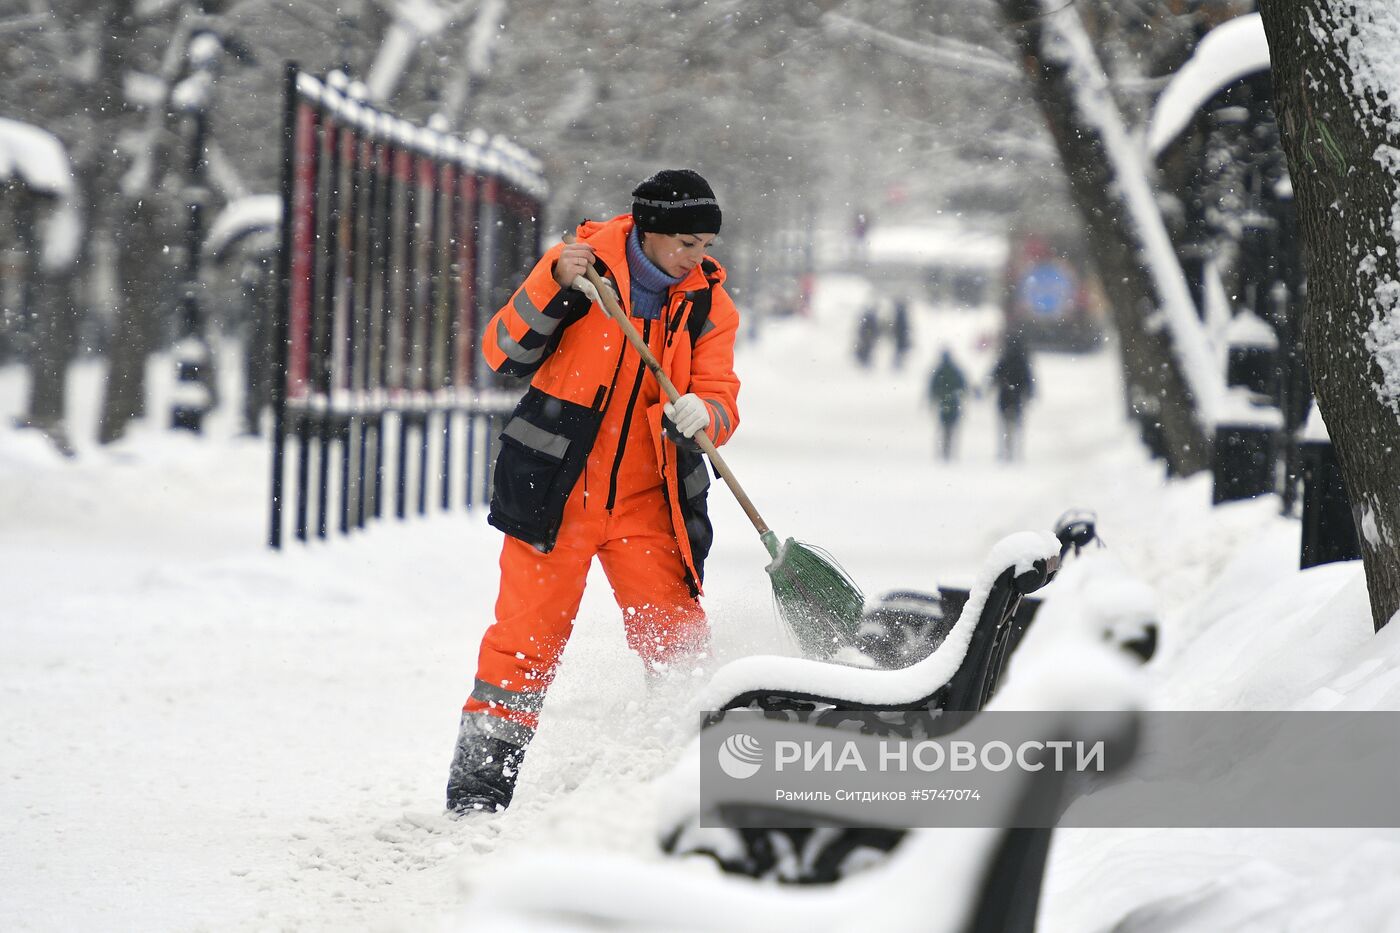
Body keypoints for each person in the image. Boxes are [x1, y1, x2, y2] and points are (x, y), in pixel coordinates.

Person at [445, 169, 741, 814]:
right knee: (522, 644)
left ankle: (698, 784)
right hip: (556, 494)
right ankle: (478, 791)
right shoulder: (579, 273)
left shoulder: (707, 305)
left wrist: (704, 415)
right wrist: (551, 283)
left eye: (706, 246)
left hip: (651, 501)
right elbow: (501, 354)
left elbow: (722, 396)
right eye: (688, 243)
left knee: (679, 646)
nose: (699, 258)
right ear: (651, 231)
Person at [990, 332, 1034, 461]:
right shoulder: (1023, 361)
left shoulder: (1004, 360)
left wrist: (989, 388)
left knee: (1004, 425)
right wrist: (1030, 393)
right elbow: (1028, 380)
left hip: (1004, 398)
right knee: (1016, 425)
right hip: (1017, 399)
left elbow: (994, 376)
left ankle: (1006, 448)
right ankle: (1015, 450)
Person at [926, 348, 967, 461]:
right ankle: (948, 449)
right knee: (951, 428)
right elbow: (963, 386)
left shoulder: (939, 371)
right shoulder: (955, 370)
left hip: (944, 404)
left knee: (944, 427)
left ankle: (945, 450)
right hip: (954, 404)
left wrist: (932, 399)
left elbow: (933, 387)